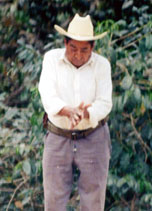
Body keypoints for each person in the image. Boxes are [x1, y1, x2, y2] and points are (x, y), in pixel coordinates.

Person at [38, 13, 112, 211]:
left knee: (94, 200)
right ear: (65, 43)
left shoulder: (102, 65)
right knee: (53, 200)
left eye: (84, 50)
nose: (78, 55)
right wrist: (67, 111)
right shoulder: (51, 60)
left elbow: (105, 103)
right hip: (58, 136)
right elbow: (47, 94)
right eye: (73, 49)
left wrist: (85, 114)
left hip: (93, 136)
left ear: (92, 48)